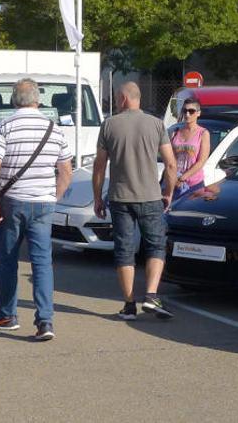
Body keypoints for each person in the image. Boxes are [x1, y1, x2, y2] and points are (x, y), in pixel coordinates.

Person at [0, 78, 72, 341]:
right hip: (43, 203)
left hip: (14, 201)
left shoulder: (5, 125)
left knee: (8, 259)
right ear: (38, 100)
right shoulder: (53, 129)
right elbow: (66, 170)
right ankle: (45, 321)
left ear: (13, 100)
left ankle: (7, 314)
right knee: (42, 263)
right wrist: (53, 196)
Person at [92, 81, 178, 321]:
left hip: (120, 198)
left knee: (125, 250)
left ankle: (129, 304)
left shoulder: (109, 125)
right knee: (156, 245)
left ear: (122, 98)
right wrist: (168, 191)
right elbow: (171, 164)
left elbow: (99, 166)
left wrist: (97, 197)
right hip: (150, 196)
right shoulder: (157, 124)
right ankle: (151, 295)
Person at [170, 98, 210, 200]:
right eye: (185, 111)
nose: (187, 114)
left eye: (191, 111)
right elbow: (171, 158)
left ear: (198, 113)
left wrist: (183, 178)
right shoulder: (176, 132)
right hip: (175, 182)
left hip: (194, 185)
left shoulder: (203, 133)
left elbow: (201, 161)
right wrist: (173, 177)